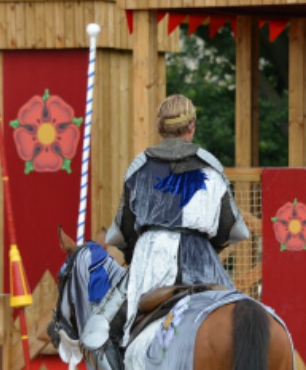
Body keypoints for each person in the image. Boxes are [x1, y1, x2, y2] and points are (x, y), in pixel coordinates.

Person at [105, 93, 249, 343]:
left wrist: (131, 253)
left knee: (116, 331)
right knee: (239, 319)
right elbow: (232, 228)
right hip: (202, 259)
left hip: (151, 259)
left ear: (160, 127)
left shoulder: (139, 167)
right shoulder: (211, 166)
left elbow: (122, 231)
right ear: (191, 126)